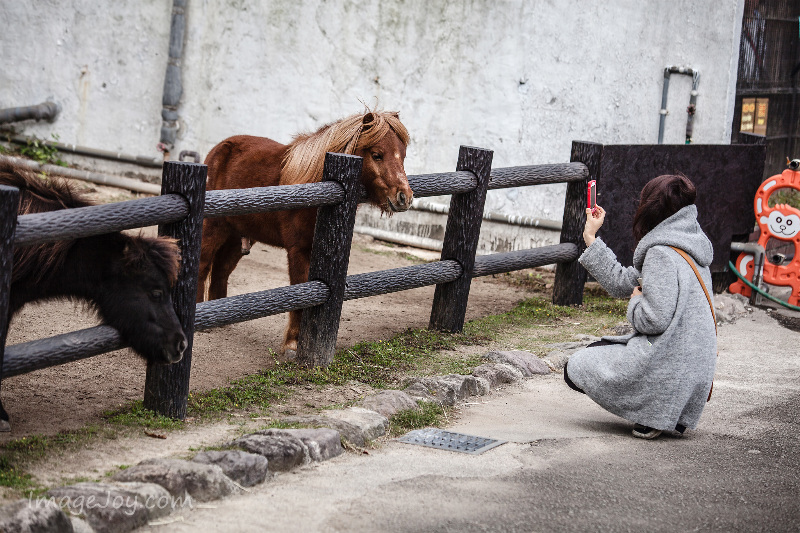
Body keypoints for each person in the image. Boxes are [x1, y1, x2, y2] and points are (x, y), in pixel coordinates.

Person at [564, 174, 717, 440]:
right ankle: (664, 413)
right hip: (693, 368)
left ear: (651, 209)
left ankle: (651, 413)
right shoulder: (690, 246)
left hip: (669, 366)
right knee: (601, 350)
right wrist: (591, 235)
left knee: (577, 365)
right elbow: (622, 281)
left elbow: (652, 320)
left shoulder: (661, 254)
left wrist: (636, 299)